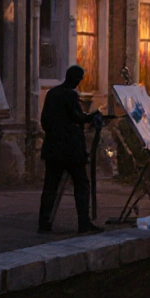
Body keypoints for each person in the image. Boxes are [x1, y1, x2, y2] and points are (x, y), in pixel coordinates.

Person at [38, 65, 104, 234]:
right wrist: (92, 116)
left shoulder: (52, 93)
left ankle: (44, 223)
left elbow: (44, 121)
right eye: (79, 79)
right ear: (75, 79)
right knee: (81, 184)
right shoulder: (70, 94)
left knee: (50, 186)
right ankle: (84, 222)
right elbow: (77, 117)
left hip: (52, 149)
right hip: (71, 151)